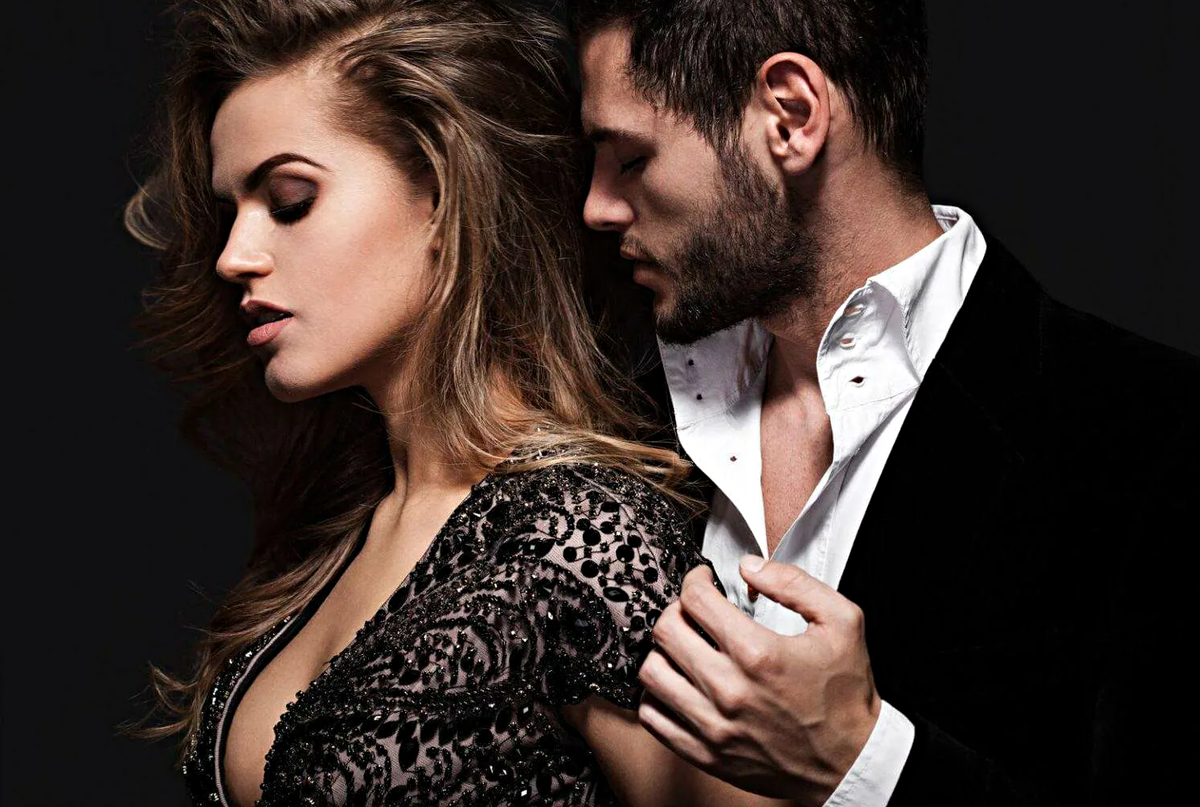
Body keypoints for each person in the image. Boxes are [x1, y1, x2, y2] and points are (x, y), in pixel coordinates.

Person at [126, 1, 794, 805]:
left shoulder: (585, 541)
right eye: (231, 212)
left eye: (290, 199)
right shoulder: (332, 534)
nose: (235, 255)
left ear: (442, 196)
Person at [573, 0, 1200, 805]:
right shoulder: (612, 413)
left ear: (791, 116)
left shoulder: (1151, 437)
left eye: (629, 158)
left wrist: (865, 763)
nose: (597, 206)